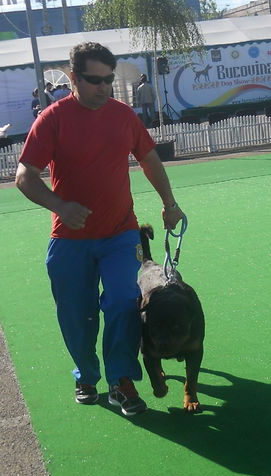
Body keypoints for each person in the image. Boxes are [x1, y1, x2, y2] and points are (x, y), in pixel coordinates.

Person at [15, 41, 185, 417]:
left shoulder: (123, 116)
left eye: (108, 80)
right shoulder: (53, 119)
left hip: (120, 235)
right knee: (77, 314)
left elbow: (150, 159)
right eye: (94, 80)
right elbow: (24, 176)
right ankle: (87, 374)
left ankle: (121, 380)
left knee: (125, 301)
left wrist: (169, 205)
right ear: (73, 77)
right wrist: (59, 205)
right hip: (69, 240)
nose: (104, 87)